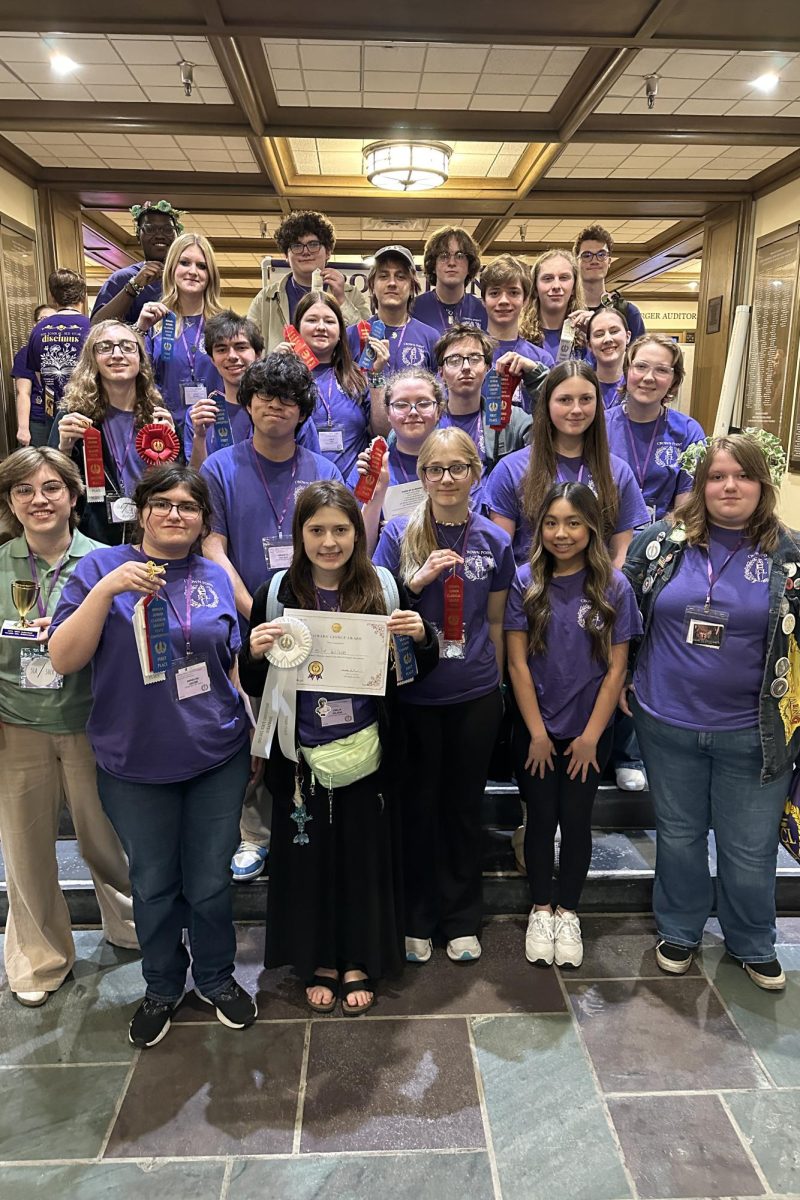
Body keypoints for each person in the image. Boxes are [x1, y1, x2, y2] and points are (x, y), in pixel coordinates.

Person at [49, 465, 256, 1047]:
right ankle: (162, 985)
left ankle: (216, 978)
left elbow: (229, 659)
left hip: (216, 754)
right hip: (134, 764)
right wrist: (107, 590)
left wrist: (251, 725)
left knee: (211, 879)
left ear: (201, 521)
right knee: (155, 882)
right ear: (141, 512)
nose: (174, 514)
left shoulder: (213, 574)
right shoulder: (98, 570)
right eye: (162, 503)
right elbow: (64, 658)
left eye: (188, 507)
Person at [239, 480, 438, 1014]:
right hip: (300, 754)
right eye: (317, 529)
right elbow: (256, 682)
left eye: (341, 529)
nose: (330, 541)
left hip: (369, 752)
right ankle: (320, 959)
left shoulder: (386, 587)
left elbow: (412, 675)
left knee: (362, 863)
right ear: (299, 534)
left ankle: (358, 958)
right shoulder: (277, 593)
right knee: (309, 865)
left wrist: (422, 638)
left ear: (358, 532)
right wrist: (254, 653)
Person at [622, 433, 799, 992]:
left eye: (742, 476)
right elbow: (623, 616)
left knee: (749, 845)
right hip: (666, 721)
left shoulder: (790, 557)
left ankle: (751, 939)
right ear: (700, 485)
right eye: (718, 476)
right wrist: (623, 678)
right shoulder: (659, 545)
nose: (729, 486)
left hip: (755, 732)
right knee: (678, 833)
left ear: (762, 485)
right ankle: (679, 928)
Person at [0, 447, 136, 1008]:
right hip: (17, 725)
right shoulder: (2, 561)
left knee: (104, 838)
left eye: (52, 487)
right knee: (26, 849)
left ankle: (131, 924)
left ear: (74, 496)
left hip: (89, 723)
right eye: (25, 490)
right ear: (10, 502)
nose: (40, 500)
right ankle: (40, 955)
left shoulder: (106, 561)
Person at [373, 428, 515, 963]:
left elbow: (496, 620)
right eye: (435, 469)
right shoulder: (398, 535)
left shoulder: (494, 540)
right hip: (415, 694)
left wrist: (494, 684)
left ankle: (460, 918)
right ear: (422, 475)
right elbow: (381, 605)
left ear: (475, 473)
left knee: (461, 809)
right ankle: (416, 916)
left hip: (473, 693)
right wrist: (416, 580)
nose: (447, 478)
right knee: (416, 808)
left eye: (458, 468)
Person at [506, 482, 641, 968]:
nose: (561, 534)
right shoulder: (526, 580)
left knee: (577, 823)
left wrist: (590, 738)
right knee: (540, 821)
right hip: (536, 730)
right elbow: (518, 666)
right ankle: (541, 908)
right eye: (551, 523)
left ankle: (569, 911)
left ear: (591, 528)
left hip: (590, 732)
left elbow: (616, 669)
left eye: (573, 523)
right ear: (539, 528)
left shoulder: (613, 587)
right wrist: (538, 733)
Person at [202, 354, 344, 625]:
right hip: (243, 622)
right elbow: (212, 548)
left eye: (288, 398)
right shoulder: (218, 468)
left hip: (313, 620)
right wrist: (257, 613)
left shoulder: (325, 473)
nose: (275, 405)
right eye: (265, 394)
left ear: (302, 412)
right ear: (248, 403)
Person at [485, 361, 649, 567]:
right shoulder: (510, 469)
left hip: (596, 594)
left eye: (586, 399)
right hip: (530, 593)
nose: (576, 409)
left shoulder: (617, 471)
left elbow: (620, 556)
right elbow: (502, 556)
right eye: (565, 400)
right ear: (547, 404)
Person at [50, 322, 176, 546]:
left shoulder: (158, 416)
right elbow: (51, 485)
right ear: (92, 359)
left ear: (141, 359)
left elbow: (175, 481)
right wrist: (64, 450)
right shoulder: (72, 418)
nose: (117, 354)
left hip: (151, 533)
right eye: (105, 347)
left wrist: (171, 455)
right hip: (94, 535)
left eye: (127, 347)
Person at [183, 310, 320, 469]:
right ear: (212, 359)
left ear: (258, 354)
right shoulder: (201, 414)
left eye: (241, 347)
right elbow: (195, 482)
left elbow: (313, 470)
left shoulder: (287, 410)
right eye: (221, 349)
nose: (232, 356)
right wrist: (199, 437)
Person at [280, 290, 388, 479]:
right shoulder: (286, 377)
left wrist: (377, 375)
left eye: (329, 321)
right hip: (300, 487)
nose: (321, 327)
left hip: (352, 490)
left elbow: (382, 431)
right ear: (297, 329)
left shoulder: (359, 376)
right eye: (312, 320)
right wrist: (276, 375)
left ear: (340, 332)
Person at [605, 335, 705, 522]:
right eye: (641, 366)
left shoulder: (688, 432)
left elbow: (686, 508)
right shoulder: (600, 427)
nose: (649, 378)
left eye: (661, 370)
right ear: (627, 371)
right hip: (605, 540)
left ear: (674, 380)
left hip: (662, 540)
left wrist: (652, 541)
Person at [350, 367, 445, 554]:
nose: (413, 412)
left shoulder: (456, 466)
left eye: (424, 403)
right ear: (387, 412)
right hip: (385, 576)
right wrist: (375, 500)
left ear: (439, 410)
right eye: (401, 404)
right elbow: (361, 553)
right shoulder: (371, 467)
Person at [436, 324, 532, 507]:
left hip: (494, 523)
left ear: (487, 367)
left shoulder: (511, 419)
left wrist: (535, 375)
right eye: (454, 360)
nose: (465, 367)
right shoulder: (426, 422)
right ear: (441, 372)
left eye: (474, 358)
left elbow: (552, 436)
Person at [246, 210, 370, 351]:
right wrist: (273, 363)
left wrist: (342, 301)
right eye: (297, 246)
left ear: (328, 252)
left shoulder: (351, 294)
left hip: (336, 373)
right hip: (283, 372)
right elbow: (248, 348)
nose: (306, 252)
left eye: (313, 244)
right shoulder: (265, 299)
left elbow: (367, 343)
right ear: (286, 255)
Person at [133, 233, 224, 419]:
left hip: (215, 427)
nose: (193, 271)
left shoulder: (224, 324)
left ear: (211, 274)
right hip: (165, 429)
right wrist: (140, 329)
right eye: (184, 263)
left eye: (202, 266)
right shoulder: (155, 322)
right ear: (172, 268)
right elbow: (137, 376)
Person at [345, 244, 438, 374]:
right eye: (383, 276)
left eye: (400, 277)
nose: (392, 283)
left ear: (412, 286)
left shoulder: (430, 338)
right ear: (372, 285)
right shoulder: (351, 335)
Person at [479, 254, 553, 413]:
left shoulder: (542, 359)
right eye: (494, 293)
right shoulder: (469, 354)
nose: (504, 301)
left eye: (513, 293)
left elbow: (554, 409)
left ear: (525, 300)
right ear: (483, 300)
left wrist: (534, 372)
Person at [90, 200, 182, 327]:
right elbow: (96, 327)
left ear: (178, 235)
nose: (159, 235)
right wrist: (134, 286)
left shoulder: (188, 276)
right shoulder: (122, 278)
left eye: (168, 229)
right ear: (139, 235)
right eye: (150, 229)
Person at [26, 270, 91, 416]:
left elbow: (38, 373)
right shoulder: (93, 326)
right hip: (87, 407)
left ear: (52, 297)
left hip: (52, 408)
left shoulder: (38, 330)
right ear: (84, 296)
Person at [573, 223, 646, 343]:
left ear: (609, 262)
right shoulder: (565, 309)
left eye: (601, 255)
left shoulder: (628, 312)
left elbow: (639, 357)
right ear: (576, 262)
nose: (594, 261)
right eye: (587, 255)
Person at [412, 225, 487, 334]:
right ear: (433, 265)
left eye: (460, 256)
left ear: (469, 265)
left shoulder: (483, 310)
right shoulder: (413, 309)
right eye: (444, 256)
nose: (452, 263)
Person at [519, 249, 587, 364]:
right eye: (548, 278)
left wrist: (594, 331)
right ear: (535, 288)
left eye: (564, 278)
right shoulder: (518, 336)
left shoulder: (585, 337)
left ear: (574, 287)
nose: (556, 285)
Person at [12, 304, 56, 447]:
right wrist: (23, 429)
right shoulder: (26, 353)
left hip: (62, 419)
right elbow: (23, 392)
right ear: (35, 324)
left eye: (53, 321)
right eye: (44, 320)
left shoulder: (65, 350)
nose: (48, 325)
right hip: (39, 421)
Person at [586, 307, 630, 409]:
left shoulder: (640, 384)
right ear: (589, 345)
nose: (607, 339)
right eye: (599, 334)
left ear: (627, 337)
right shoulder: (582, 384)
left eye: (614, 331)